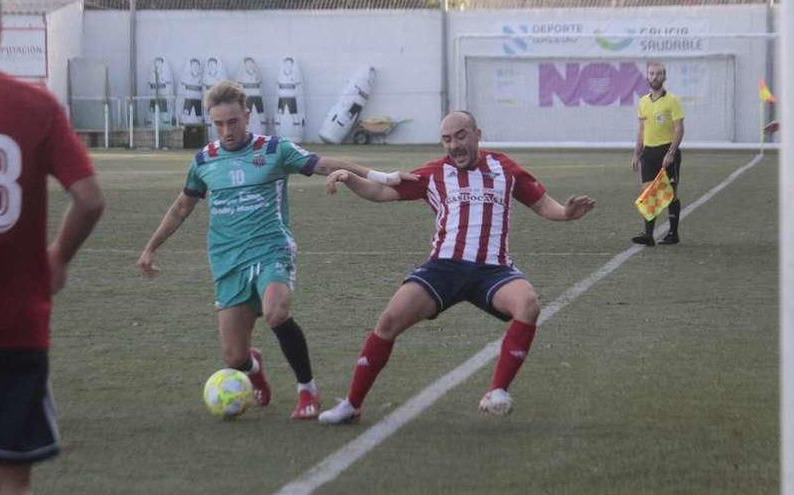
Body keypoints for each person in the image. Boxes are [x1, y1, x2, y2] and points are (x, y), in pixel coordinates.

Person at [136, 80, 413, 420]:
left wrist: (383, 176)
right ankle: (254, 371)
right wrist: (150, 248)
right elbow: (181, 208)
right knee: (234, 357)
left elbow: (324, 163)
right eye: (219, 123)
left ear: (247, 116)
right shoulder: (204, 160)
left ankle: (306, 389)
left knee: (276, 312)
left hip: (271, 249)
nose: (226, 130)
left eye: (233, 121)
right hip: (227, 261)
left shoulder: (274, 150)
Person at [318, 111, 596, 424]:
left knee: (528, 304)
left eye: (461, 136)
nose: (454, 145)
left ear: (477, 133)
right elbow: (382, 192)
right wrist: (349, 177)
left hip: (494, 269)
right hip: (444, 267)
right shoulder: (435, 173)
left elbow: (544, 205)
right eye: (447, 139)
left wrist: (566, 212)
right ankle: (352, 405)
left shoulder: (505, 168)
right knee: (388, 321)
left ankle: (498, 391)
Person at [0, 1, 105, 493]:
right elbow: (90, 199)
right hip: (13, 327)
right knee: (7, 482)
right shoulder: (34, 104)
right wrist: (58, 258)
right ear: (0, 36)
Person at [630, 61, 685, 246]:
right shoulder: (643, 102)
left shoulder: (673, 100)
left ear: (665, 76)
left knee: (670, 193)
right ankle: (648, 235)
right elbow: (641, 129)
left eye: (659, 74)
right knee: (647, 191)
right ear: (647, 76)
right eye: (652, 74)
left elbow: (679, 129)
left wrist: (671, 152)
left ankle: (673, 233)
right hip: (649, 153)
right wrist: (637, 153)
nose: (655, 77)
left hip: (666, 151)